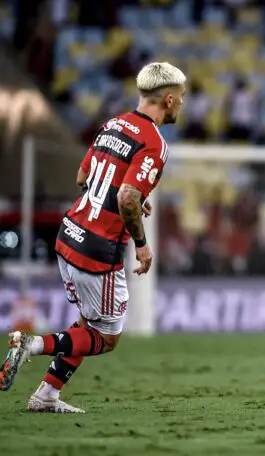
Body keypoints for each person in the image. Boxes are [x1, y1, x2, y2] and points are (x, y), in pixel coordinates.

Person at [0, 62, 186, 413]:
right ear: (171, 100)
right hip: (97, 250)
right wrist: (143, 245)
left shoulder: (113, 124)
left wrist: (125, 198)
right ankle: (31, 344)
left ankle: (46, 395)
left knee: (88, 322)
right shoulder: (154, 143)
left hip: (68, 234)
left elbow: (83, 175)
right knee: (105, 338)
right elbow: (127, 197)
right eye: (183, 99)